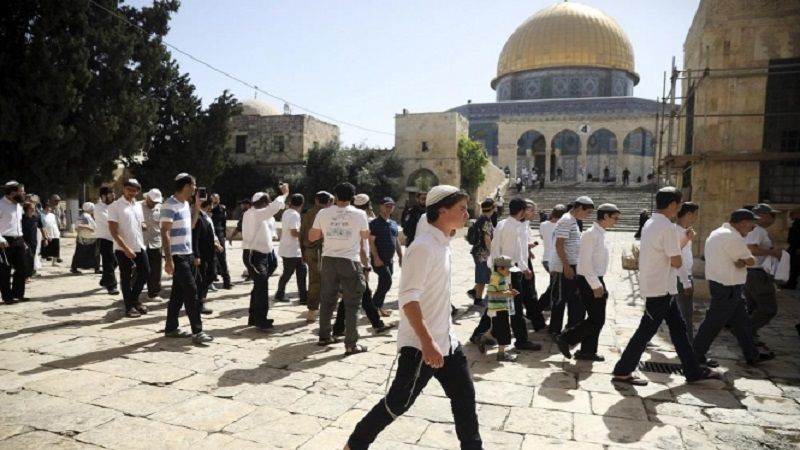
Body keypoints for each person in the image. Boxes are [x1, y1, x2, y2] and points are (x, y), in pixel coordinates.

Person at [345, 185, 482, 450]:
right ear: (443, 212)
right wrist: (428, 342)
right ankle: (355, 444)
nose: (467, 214)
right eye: (461, 209)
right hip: (422, 346)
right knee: (397, 402)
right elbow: (408, 300)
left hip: (447, 342)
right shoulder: (423, 248)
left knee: (465, 399)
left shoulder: (441, 242)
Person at [612, 187, 720, 386]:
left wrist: (684, 240)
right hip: (660, 288)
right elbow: (676, 261)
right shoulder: (667, 227)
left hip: (662, 286)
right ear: (672, 204)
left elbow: (666, 253)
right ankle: (623, 370)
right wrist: (683, 244)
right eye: (678, 204)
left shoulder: (651, 223)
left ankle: (693, 370)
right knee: (645, 331)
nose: (678, 208)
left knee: (678, 331)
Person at [693, 209, 776, 367]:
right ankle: (695, 355)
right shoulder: (733, 237)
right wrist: (746, 260)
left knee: (742, 322)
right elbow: (751, 260)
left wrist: (743, 261)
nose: (752, 229)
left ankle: (752, 355)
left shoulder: (718, 232)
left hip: (725, 285)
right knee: (713, 322)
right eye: (752, 225)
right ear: (743, 223)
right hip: (727, 287)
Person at [470, 198, 542, 352]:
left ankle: (482, 334)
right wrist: (523, 268)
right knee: (513, 308)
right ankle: (520, 340)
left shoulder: (503, 224)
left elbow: (497, 250)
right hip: (509, 271)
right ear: (522, 212)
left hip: (500, 269)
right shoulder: (514, 228)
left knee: (499, 306)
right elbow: (514, 252)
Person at [554, 204, 619, 361]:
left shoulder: (600, 234)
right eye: (614, 218)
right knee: (597, 319)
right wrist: (596, 285)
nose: (616, 222)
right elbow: (584, 263)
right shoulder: (591, 235)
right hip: (590, 280)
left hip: (596, 278)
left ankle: (587, 351)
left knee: (595, 318)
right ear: (605, 217)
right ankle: (566, 338)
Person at [310, 182, 369, 355]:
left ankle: (324, 336)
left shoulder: (323, 212)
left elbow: (313, 236)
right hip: (350, 260)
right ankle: (351, 344)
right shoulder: (360, 214)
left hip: (328, 260)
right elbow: (364, 236)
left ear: (335, 196)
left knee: (327, 299)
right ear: (352, 197)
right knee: (352, 303)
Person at [161, 173, 212, 345]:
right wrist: (168, 259)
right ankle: (197, 331)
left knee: (178, 293)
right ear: (186, 186)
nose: (196, 188)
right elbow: (165, 232)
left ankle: (171, 327)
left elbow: (190, 225)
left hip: (187, 254)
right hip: (178, 256)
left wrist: (196, 207)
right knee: (192, 291)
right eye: (194, 185)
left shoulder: (184, 204)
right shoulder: (170, 204)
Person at [333, 194, 394, 336]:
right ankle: (341, 329)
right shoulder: (363, 220)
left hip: (343, 259)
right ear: (368, 206)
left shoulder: (346, 217)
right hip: (356, 262)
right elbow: (362, 246)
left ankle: (374, 324)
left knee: (360, 294)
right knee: (358, 293)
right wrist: (366, 266)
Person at [242, 186, 288, 330]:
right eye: (267, 202)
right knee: (262, 286)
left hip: (267, 254)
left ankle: (254, 317)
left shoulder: (264, 216)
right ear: (261, 203)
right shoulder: (254, 214)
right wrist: (285, 194)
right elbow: (275, 207)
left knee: (259, 286)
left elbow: (270, 230)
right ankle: (260, 320)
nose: (269, 204)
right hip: (254, 255)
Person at [549, 196, 594, 335]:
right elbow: (559, 244)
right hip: (565, 266)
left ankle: (569, 328)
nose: (588, 216)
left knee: (572, 298)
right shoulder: (567, 220)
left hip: (571, 264)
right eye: (587, 212)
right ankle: (555, 330)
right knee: (560, 299)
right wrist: (566, 266)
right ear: (580, 208)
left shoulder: (572, 220)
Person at [108, 178, 150, 318]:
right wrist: (126, 249)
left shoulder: (137, 205)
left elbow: (141, 222)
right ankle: (129, 306)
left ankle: (134, 299)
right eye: (129, 189)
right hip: (122, 248)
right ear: (123, 189)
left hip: (139, 245)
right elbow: (114, 231)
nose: (131, 192)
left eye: (134, 190)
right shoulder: (115, 206)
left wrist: (143, 226)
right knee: (125, 277)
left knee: (145, 271)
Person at [744, 203, 784, 340]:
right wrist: (773, 253)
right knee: (768, 308)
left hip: (751, 272)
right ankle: (745, 331)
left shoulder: (754, 229)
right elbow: (751, 249)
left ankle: (747, 335)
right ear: (762, 216)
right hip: (755, 273)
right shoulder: (757, 230)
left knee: (752, 306)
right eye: (771, 215)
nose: (773, 219)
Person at [477, 255, 519, 362]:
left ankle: (482, 338)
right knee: (504, 330)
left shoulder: (501, 276)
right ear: (500, 268)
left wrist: (510, 292)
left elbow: (501, 290)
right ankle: (501, 354)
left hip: (501, 308)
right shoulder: (496, 277)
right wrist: (507, 293)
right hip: (497, 309)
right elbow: (490, 292)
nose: (509, 271)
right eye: (508, 269)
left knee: (496, 329)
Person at [301, 191, 333, 322]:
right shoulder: (326, 215)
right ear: (328, 202)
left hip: (309, 250)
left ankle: (312, 311)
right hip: (321, 251)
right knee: (323, 281)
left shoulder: (308, 213)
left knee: (314, 280)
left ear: (316, 200)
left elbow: (301, 233)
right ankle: (314, 310)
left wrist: (302, 251)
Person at [369, 197, 403, 317]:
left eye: (391, 206)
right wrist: (376, 258)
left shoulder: (393, 223)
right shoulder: (374, 224)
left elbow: (396, 240)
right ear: (381, 207)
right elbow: (371, 242)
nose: (389, 208)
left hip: (389, 259)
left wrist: (400, 255)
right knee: (386, 282)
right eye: (386, 205)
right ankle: (373, 306)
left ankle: (379, 307)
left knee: (383, 283)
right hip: (379, 259)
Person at [275, 193, 307, 303]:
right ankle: (280, 293)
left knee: (301, 272)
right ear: (302, 203)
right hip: (292, 250)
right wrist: (305, 233)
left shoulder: (286, 212)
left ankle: (303, 296)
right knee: (288, 273)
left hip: (289, 249)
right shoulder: (295, 215)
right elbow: (294, 232)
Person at [0, 181, 28, 304]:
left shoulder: (18, 205)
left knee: (22, 268)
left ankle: (18, 293)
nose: (24, 193)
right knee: (5, 270)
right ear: (13, 193)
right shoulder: (1, 205)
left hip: (18, 239)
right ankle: (7, 297)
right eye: (21, 191)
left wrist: (23, 240)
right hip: (4, 240)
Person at [675, 202, 699, 340]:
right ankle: (688, 343)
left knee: (666, 311)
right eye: (695, 214)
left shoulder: (685, 230)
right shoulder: (676, 231)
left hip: (681, 276)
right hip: (681, 277)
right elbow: (676, 255)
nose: (696, 218)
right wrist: (686, 282)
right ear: (689, 214)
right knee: (686, 313)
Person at [194, 199, 223, 315]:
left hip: (210, 253)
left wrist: (216, 243)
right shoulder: (197, 218)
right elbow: (195, 238)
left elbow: (211, 233)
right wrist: (196, 255)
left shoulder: (206, 217)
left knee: (211, 275)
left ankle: (200, 300)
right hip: (202, 254)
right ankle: (199, 303)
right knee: (202, 280)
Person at [467, 199, 495, 306]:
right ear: (492, 208)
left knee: (483, 273)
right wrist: (491, 252)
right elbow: (487, 237)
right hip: (482, 252)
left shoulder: (481, 218)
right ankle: (478, 299)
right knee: (482, 275)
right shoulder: (486, 220)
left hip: (478, 250)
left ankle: (474, 291)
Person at [538, 204, 565, 310]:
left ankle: (547, 304)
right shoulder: (562, 226)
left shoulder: (543, 224)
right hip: (555, 259)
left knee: (553, 283)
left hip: (546, 258)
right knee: (553, 285)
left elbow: (541, 236)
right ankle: (540, 306)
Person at [95, 186, 119, 295]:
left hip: (116, 239)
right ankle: (111, 286)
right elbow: (109, 221)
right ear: (103, 196)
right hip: (105, 239)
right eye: (110, 193)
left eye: (113, 193)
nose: (113, 195)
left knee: (116, 262)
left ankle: (105, 280)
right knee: (108, 263)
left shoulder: (115, 206)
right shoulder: (98, 208)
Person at [141, 188, 163, 299]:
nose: (154, 203)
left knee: (156, 270)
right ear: (147, 197)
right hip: (141, 243)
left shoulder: (160, 208)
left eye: (156, 201)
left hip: (156, 242)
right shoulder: (137, 206)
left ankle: (153, 293)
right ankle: (135, 290)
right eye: (152, 201)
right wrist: (140, 224)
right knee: (140, 269)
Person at [70, 202, 100, 274]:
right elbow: (78, 226)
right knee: (95, 254)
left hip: (88, 238)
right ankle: (96, 268)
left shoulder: (86, 216)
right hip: (87, 239)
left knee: (81, 254)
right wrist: (90, 228)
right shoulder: (85, 216)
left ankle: (96, 268)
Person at [210, 193, 232, 289]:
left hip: (219, 234)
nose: (215, 201)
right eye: (213, 199)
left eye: (216, 199)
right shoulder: (207, 208)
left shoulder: (222, 209)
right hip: (209, 233)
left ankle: (227, 281)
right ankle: (212, 278)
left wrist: (224, 236)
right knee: (210, 258)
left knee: (222, 257)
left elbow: (223, 223)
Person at [21, 202, 42, 278]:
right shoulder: (21, 218)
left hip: (34, 242)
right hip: (24, 241)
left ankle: (29, 274)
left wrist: (45, 238)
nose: (34, 210)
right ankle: (26, 276)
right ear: (26, 209)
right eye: (31, 208)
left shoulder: (36, 217)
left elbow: (41, 227)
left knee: (31, 258)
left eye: (34, 208)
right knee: (26, 258)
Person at [784, 211, 800, 290]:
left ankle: (791, 283)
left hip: (796, 248)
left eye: (792, 214)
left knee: (795, 267)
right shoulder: (795, 224)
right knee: (794, 266)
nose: (790, 217)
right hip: (793, 247)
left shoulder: (797, 224)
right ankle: (791, 283)